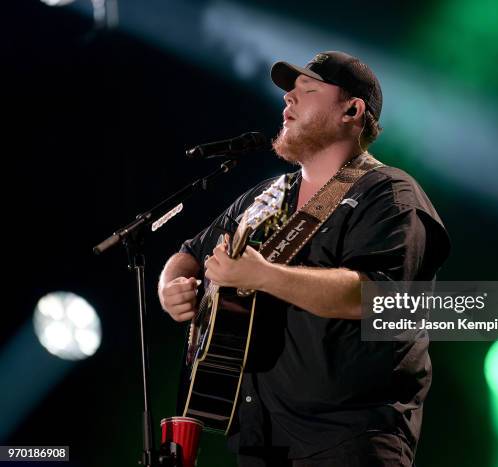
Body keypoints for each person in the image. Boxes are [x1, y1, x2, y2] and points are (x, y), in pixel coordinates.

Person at [158, 51, 450, 466]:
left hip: (348, 441)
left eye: (307, 90)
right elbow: (187, 254)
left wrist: (263, 275)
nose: (287, 101)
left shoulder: (389, 194)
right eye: (288, 93)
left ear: (352, 109)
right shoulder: (267, 196)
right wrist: (172, 290)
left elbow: (375, 296)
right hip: (259, 441)